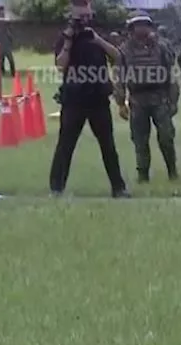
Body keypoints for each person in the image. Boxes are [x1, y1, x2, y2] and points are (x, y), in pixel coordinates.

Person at [48, 2, 128, 198]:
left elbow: (117, 57)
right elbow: (60, 65)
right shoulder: (65, 37)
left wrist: (98, 40)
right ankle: (56, 189)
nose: (83, 21)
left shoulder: (97, 35)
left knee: (108, 145)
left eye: (86, 16)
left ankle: (118, 188)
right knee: (65, 145)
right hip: (74, 100)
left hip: (98, 99)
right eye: (79, 18)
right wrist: (68, 41)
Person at [114, 12, 181, 184]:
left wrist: (174, 101)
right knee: (140, 139)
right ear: (131, 28)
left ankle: (172, 171)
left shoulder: (162, 47)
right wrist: (121, 103)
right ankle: (143, 175)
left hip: (160, 98)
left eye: (145, 24)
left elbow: (171, 76)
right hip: (138, 99)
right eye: (138, 25)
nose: (142, 28)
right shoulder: (124, 50)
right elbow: (119, 78)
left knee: (166, 136)